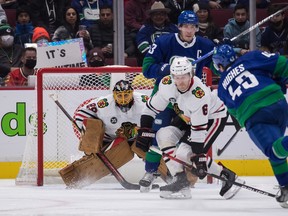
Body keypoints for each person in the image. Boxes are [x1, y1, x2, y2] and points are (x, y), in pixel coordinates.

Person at [136, 56, 244, 199]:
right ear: (172, 75)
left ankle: (228, 176)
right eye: (177, 77)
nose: (180, 82)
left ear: (191, 74)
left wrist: (198, 157)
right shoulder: (167, 84)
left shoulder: (198, 94)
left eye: (184, 77)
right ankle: (180, 181)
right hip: (186, 116)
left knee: (185, 153)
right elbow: (150, 109)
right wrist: (145, 131)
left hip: (212, 118)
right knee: (163, 135)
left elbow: (198, 130)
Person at [138, 10, 216, 187]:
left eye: (192, 26)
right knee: (158, 135)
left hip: (190, 100)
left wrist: (221, 52)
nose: (189, 30)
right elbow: (147, 68)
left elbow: (217, 69)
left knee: (187, 139)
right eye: (185, 26)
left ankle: (180, 176)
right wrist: (167, 69)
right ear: (179, 27)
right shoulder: (164, 42)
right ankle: (151, 171)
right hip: (167, 96)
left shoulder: (206, 45)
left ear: (197, 28)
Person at [212, 44, 288, 208]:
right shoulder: (251, 57)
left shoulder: (222, 88)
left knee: (273, 151)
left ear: (219, 66)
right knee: (278, 151)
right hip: (278, 103)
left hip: (254, 114)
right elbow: (282, 63)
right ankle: (286, 187)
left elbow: (233, 111)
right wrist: (281, 79)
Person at [74, 80, 149, 145]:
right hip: (108, 141)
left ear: (132, 93)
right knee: (94, 151)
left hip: (138, 139)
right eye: (119, 95)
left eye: (126, 95)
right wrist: (89, 135)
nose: (123, 99)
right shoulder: (104, 104)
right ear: (114, 94)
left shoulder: (145, 101)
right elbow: (81, 114)